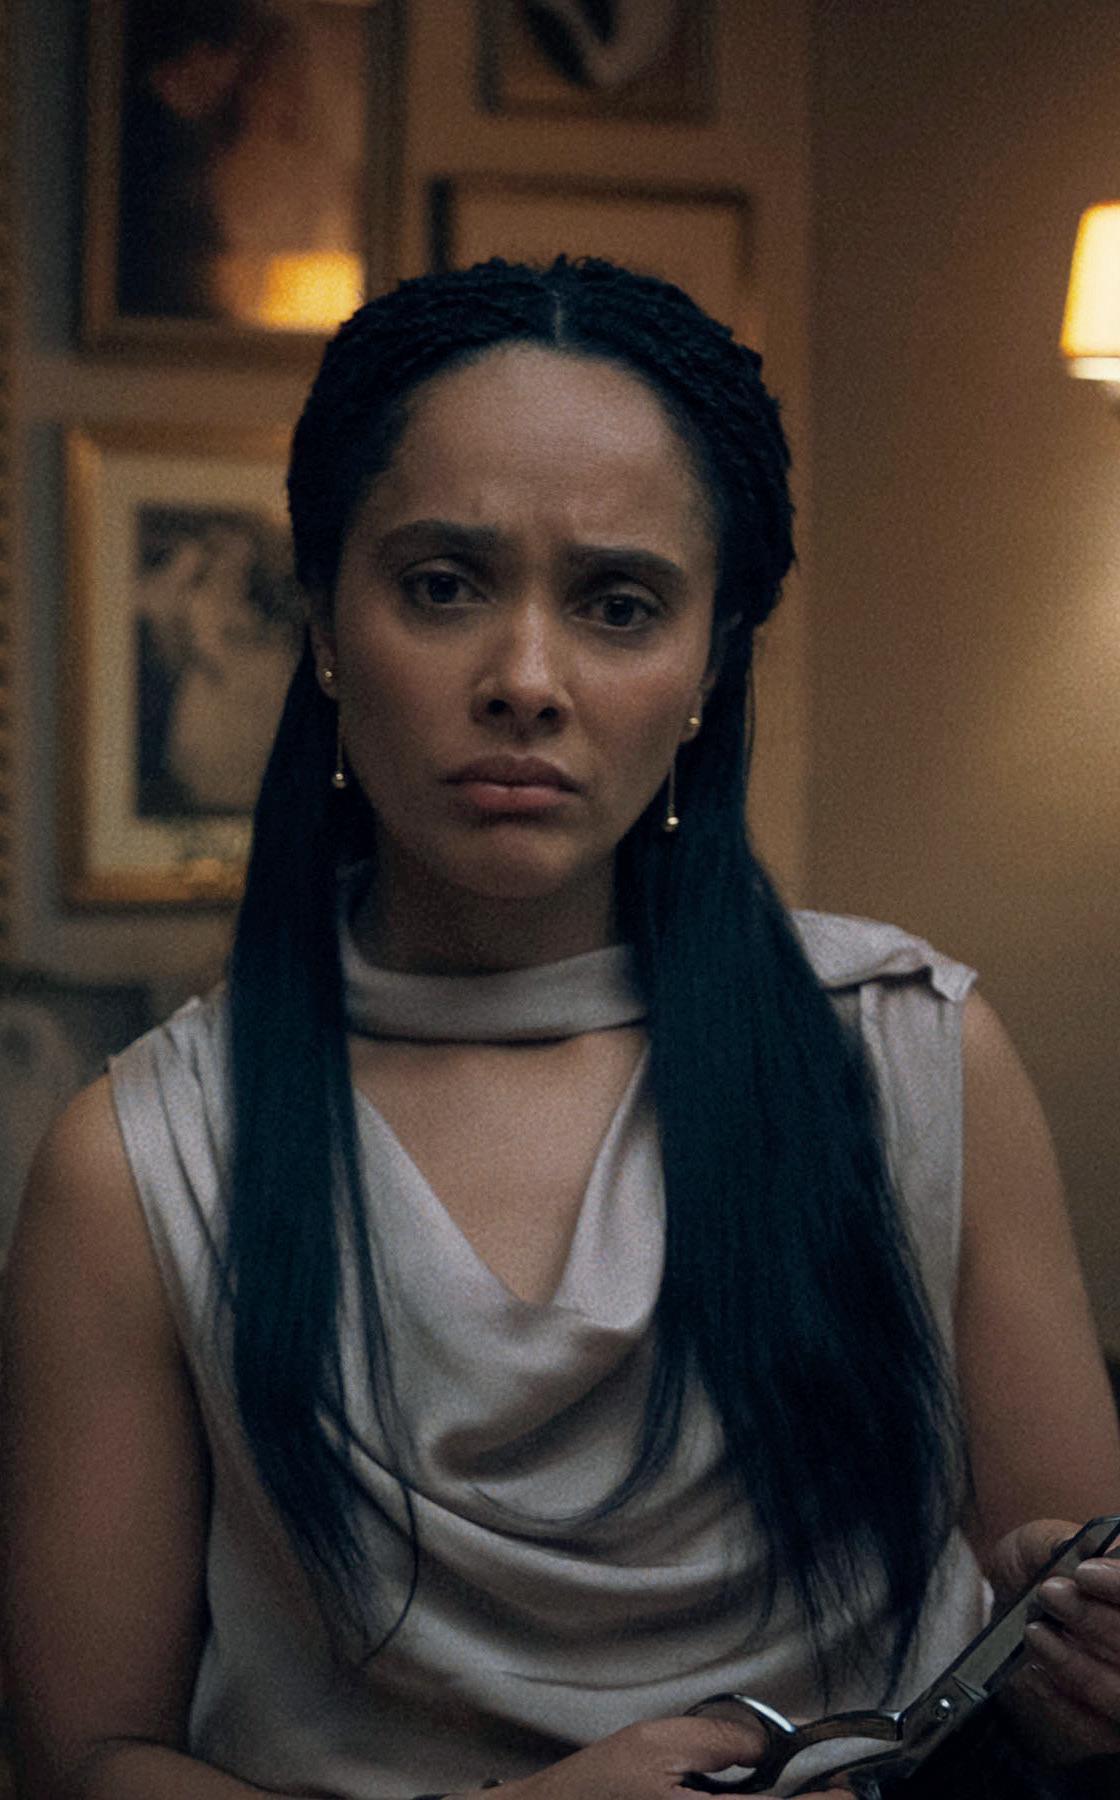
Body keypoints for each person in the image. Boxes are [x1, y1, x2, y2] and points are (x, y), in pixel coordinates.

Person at [3, 256, 1119, 1800]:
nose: (525, 680)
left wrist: (1081, 1678)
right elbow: (83, 1763)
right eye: (442, 585)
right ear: (323, 618)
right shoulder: (143, 1164)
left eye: (618, 605)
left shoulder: (911, 1058)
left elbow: (1062, 1655)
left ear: (711, 662)